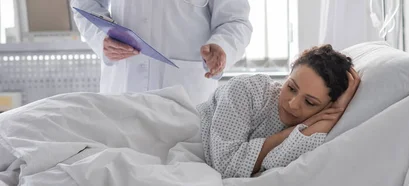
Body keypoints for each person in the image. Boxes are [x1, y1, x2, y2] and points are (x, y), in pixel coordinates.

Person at [197, 44, 360, 178]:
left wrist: (335, 113)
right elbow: (226, 166)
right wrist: (295, 130)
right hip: (184, 129)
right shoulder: (246, 90)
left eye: (309, 102)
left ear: (328, 107)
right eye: (291, 87)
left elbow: (274, 164)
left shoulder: (320, 125)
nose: (293, 104)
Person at [71, 0, 252, 105]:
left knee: (185, 166)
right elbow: (85, 4)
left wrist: (223, 47)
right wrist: (101, 36)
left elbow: (235, 21)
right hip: (122, 89)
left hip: (186, 98)